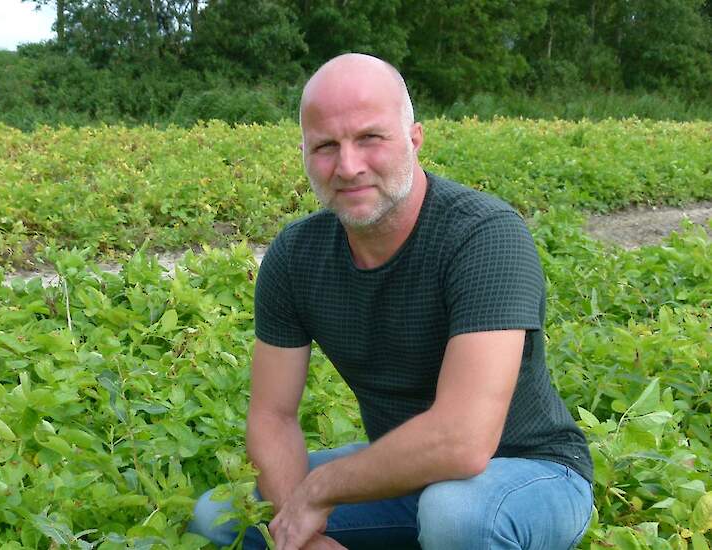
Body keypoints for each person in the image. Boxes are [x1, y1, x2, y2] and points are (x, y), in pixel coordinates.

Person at [188, 53, 594, 550]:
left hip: (530, 473)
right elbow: (273, 417)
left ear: (414, 138)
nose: (348, 166)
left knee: (457, 514)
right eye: (325, 146)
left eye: (369, 138)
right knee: (218, 516)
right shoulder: (296, 257)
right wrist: (303, 534)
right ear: (303, 153)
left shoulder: (483, 237)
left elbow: (462, 441)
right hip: (405, 473)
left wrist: (317, 492)